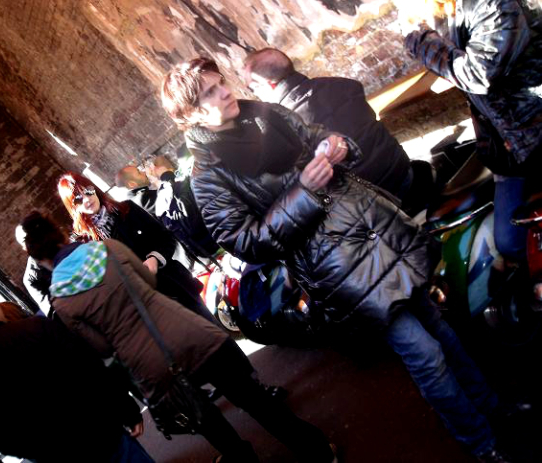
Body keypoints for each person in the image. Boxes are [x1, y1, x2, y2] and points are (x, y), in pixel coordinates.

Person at [161, 57, 508, 463]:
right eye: (210, 91)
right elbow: (245, 241)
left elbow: (315, 135)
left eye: (220, 82)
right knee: (424, 353)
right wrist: (304, 192)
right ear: (189, 115)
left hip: (373, 229)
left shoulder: (265, 114)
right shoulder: (208, 177)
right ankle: (482, 442)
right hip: (338, 267)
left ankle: (496, 412)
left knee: (440, 328)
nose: (225, 91)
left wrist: (336, 144)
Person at [20, 211, 336, 463]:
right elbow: (148, 281)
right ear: (60, 234)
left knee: (206, 419)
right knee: (252, 398)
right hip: (186, 329)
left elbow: (101, 346)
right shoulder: (107, 249)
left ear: (39, 260)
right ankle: (316, 450)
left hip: (150, 364)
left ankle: (241, 457)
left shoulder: (60, 301)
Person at [385, 0, 542, 269]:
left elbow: (479, 74)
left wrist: (418, 40)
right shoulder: (458, 5)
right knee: (510, 240)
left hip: (535, 129)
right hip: (508, 147)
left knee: (517, 238)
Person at [0, 287, 151, 463]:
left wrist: (43, 452)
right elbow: (90, 368)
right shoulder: (36, 328)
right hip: (102, 435)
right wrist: (127, 409)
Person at [242, 47, 433, 213]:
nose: (255, 95)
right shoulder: (344, 85)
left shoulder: (280, 130)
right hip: (405, 174)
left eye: (252, 89)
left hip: (376, 209)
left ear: (268, 84)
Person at [58, 172, 212, 321]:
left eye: (87, 191)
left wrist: (155, 258)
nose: (86, 199)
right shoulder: (84, 243)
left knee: (214, 332)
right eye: (78, 198)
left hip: (176, 287)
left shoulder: (127, 209)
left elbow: (166, 237)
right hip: (147, 309)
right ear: (72, 205)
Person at [15, 222, 52, 315]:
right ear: (24, 247)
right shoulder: (31, 278)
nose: (34, 241)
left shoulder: (63, 246)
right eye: (27, 240)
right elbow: (51, 311)